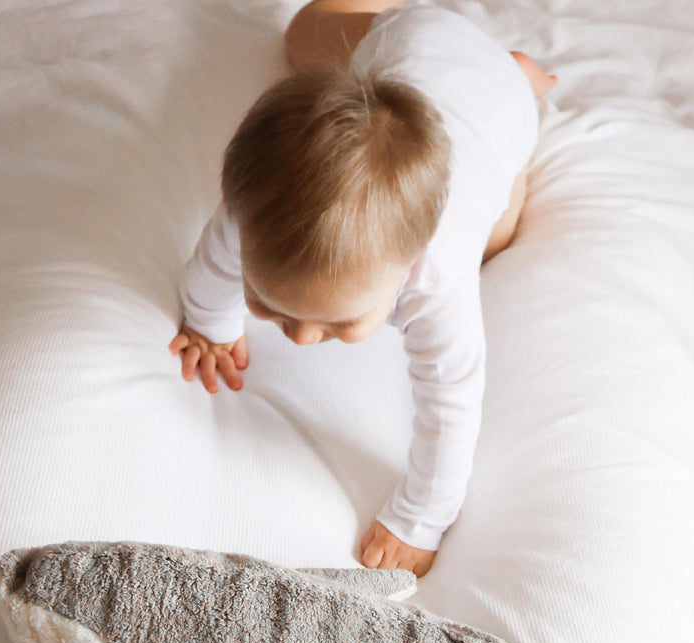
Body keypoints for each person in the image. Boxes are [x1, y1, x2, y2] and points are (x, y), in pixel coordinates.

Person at [168, 0, 556, 576]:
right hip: (412, 34)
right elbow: (217, 258)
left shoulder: (439, 280)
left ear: (409, 265)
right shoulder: (248, 215)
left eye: (341, 322)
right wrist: (210, 322)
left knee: (495, 237)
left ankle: (523, 76)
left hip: (496, 103)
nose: (300, 339)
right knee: (303, 31)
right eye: (267, 304)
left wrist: (420, 519)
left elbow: (451, 406)